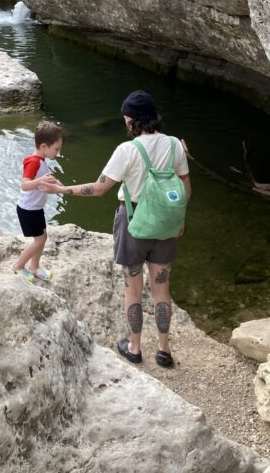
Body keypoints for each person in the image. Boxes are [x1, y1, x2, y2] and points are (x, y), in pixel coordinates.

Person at [47, 90, 190, 368]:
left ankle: (134, 348)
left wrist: (62, 189)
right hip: (166, 223)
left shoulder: (128, 150)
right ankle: (164, 351)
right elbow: (185, 187)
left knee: (132, 288)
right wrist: (179, 220)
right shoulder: (175, 145)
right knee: (162, 288)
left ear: (130, 120)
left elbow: (99, 189)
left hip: (134, 221)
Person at [12, 122, 63, 282]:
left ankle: (34, 267)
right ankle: (18, 266)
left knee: (43, 237)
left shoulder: (41, 161)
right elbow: (25, 185)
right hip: (28, 209)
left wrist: (60, 185)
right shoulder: (33, 162)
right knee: (39, 240)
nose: (58, 152)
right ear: (43, 146)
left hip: (36, 208)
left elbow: (47, 178)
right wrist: (40, 180)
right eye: (56, 149)